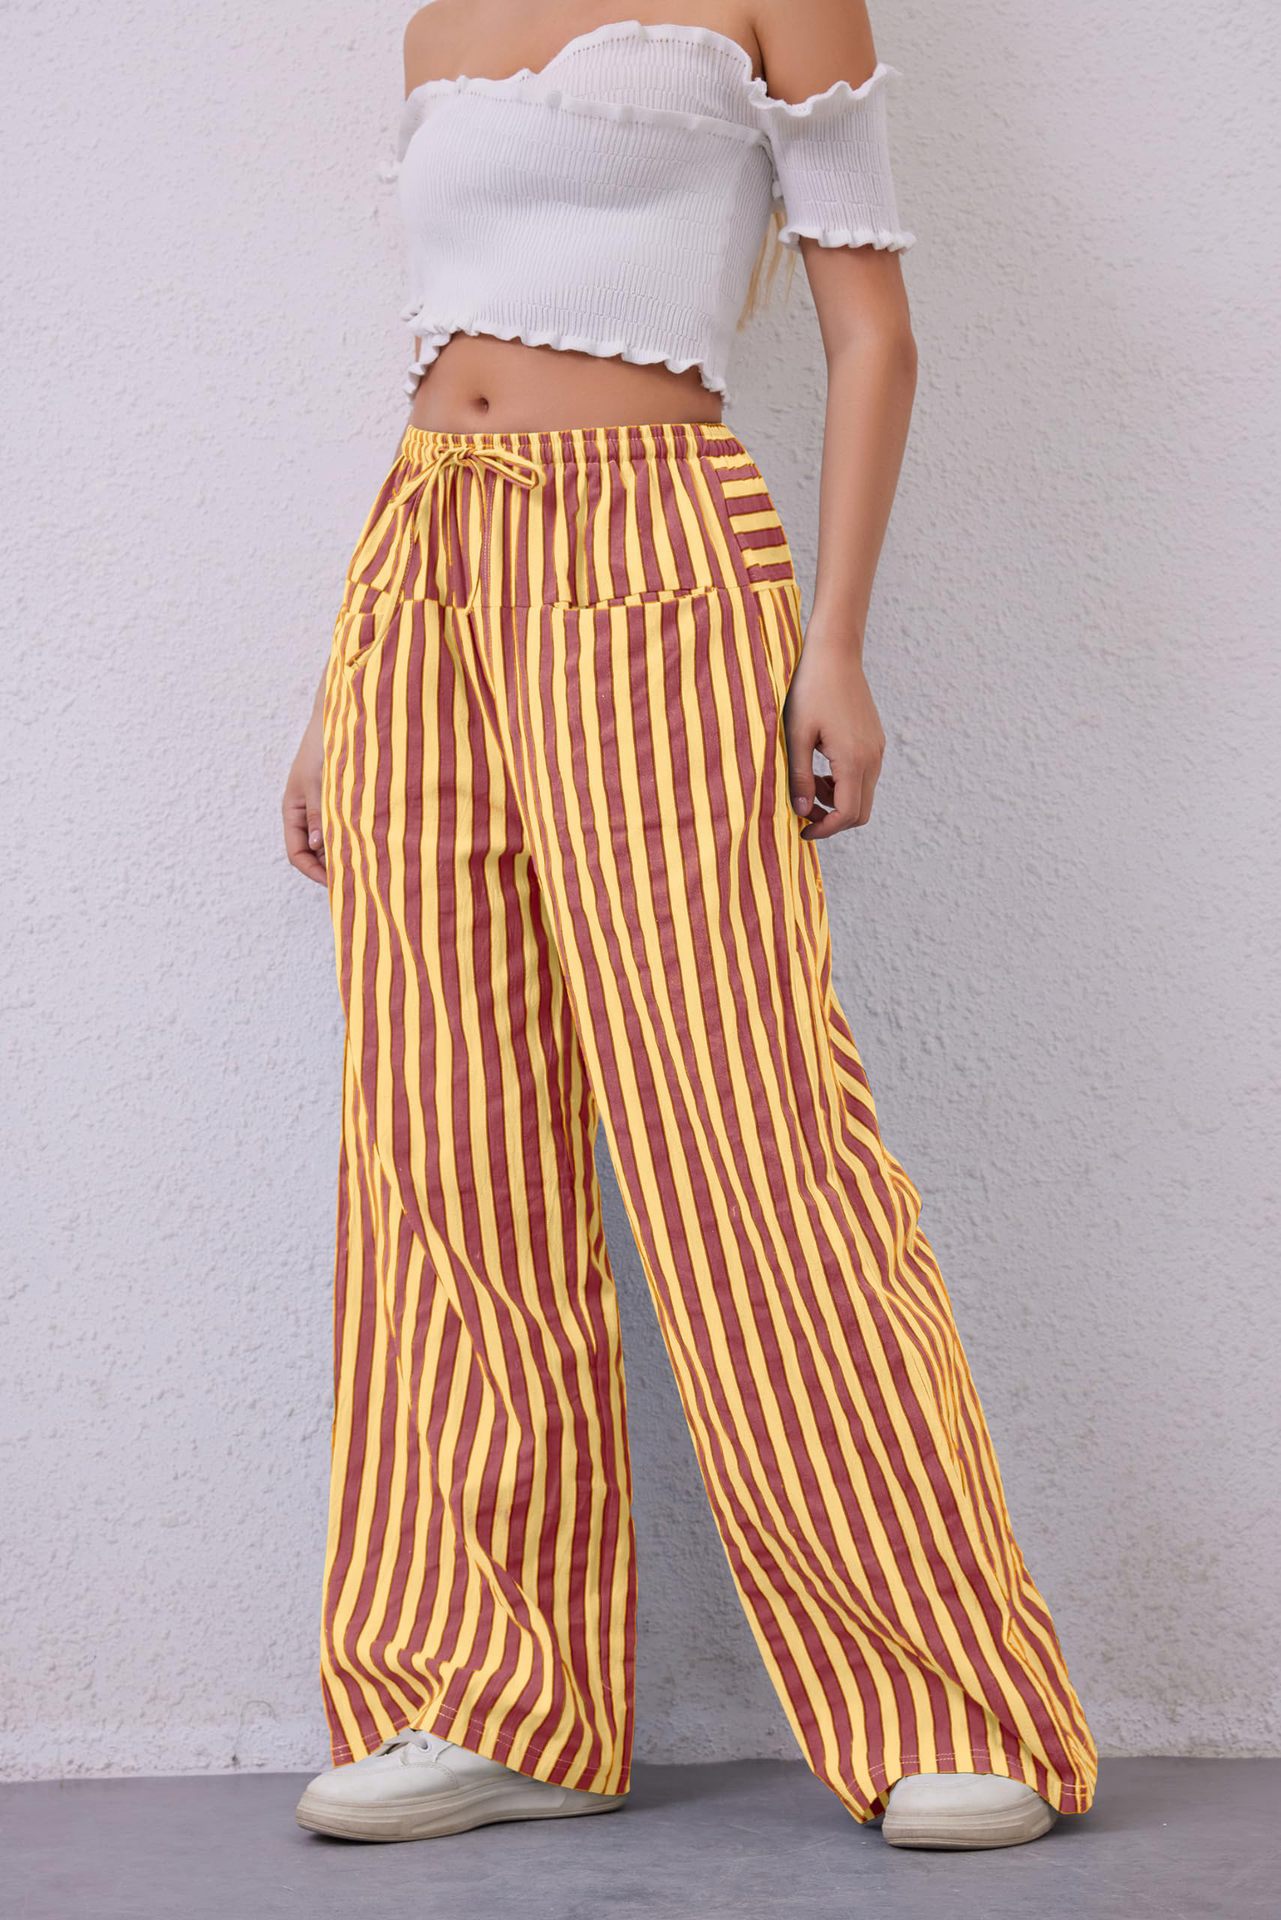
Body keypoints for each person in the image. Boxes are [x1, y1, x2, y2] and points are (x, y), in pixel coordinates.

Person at [282, 0, 1097, 1853]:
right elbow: (443, 355)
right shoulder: (436, 26)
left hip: (657, 554)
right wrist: (341, 686)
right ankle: (485, 1697)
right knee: (442, 1147)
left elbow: (871, 329)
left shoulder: (774, 0)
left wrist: (833, 645)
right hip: (421, 568)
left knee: (746, 1133)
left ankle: (943, 1695)